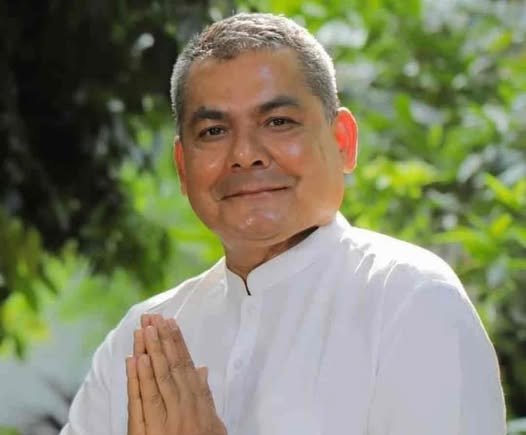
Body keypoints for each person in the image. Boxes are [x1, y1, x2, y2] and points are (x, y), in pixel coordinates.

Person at [60, 12, 506, 435]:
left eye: (278, 122)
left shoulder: (410, 299)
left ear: (343, 141)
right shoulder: (140, 341)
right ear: (182, 165)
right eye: (214, 131)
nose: (244, 154)